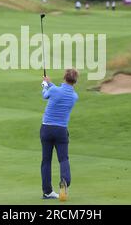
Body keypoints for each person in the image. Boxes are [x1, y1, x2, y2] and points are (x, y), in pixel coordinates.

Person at [40, 69, 79, 200]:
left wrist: (45, 85)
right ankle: (65, 182)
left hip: (46, 128)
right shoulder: (74, 96)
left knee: (46, 160)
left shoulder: (54, 91)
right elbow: (59, 91)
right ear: (75, 81)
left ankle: (47, 192)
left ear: (64, 77)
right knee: (63, 159)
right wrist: (49, 83)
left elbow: (45, 95)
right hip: (61, 130)